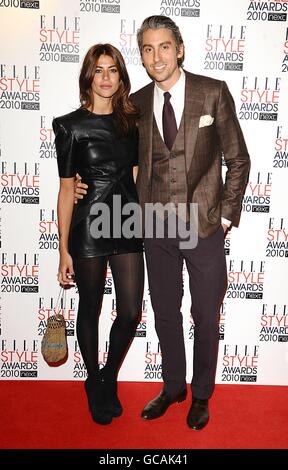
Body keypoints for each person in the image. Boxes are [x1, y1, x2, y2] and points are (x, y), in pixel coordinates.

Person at [75, 16, 250, 430]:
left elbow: (238, 159)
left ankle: (202, 393)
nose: (157, 57)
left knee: (206, 313)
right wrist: (82, 180)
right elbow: (111, 153)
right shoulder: (133, 104)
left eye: (164, 47)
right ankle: (174, 386)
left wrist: (225, 215)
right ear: (143, 55)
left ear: (180, 49)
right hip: (155, 225)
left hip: (203, 225)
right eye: (148, 49)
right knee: (164, 310)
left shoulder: (212, 93)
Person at [53, 43, 144, 425]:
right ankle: (95, 381)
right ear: (88, 76)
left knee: (130, 310)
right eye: (99, 70)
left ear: (121, 77)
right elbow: (64, 188)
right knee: (90, 306)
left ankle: (108, 374)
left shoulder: (133, 123)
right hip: (89, 224)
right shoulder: (69, 126)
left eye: (113, 70)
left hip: (125, 221)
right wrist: (63, 250)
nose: (106, 78)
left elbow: (136, 175)